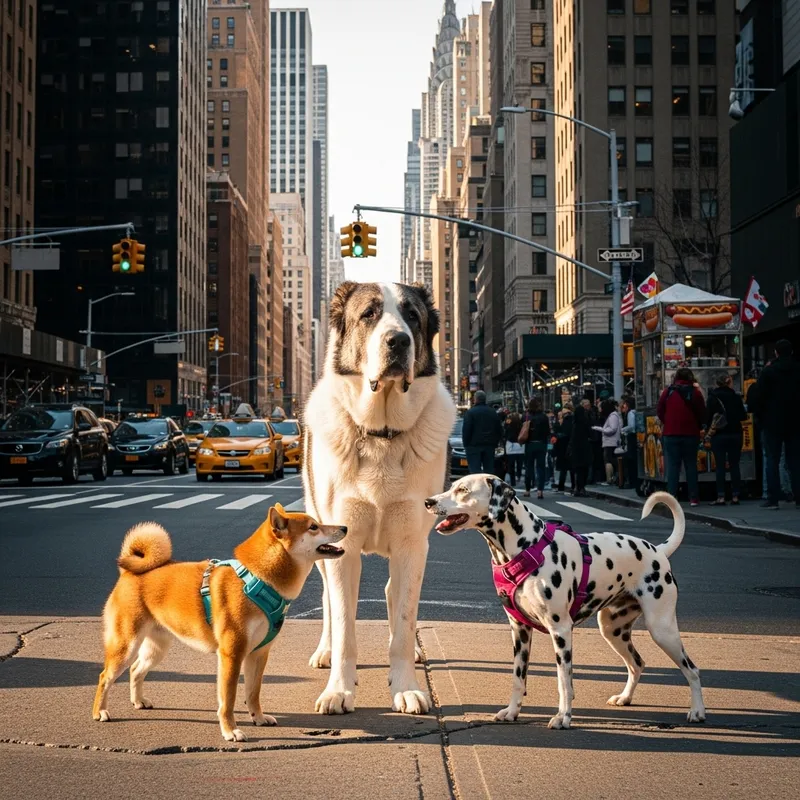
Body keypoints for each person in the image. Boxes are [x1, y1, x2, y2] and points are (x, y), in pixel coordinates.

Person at [751, 339, 800, 509]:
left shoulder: (769, 372)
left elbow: (759, 397)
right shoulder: (797, 369)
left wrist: (760, 418)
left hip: (772, 421)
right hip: (795, 421)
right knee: (795, 460)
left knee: (772, 459)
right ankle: (798, 496)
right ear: (791, 352)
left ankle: (773, 498)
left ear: (776, 353)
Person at [657, 367, 706, 506]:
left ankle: (672, 497)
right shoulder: (695, 392)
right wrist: (699, 425)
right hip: (691, 433)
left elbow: (660, 410)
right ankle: (693, 498)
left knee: (673, 466)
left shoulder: (668, 392)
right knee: (691, 465)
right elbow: (702, 411)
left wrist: (668, 422)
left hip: (671, 433)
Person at [705, 373, 747, 505]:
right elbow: (743, 416)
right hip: (735, 433)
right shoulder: (736, 397)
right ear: (729, 383)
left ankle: (721, 496)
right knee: (734, 465)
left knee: (720, 466)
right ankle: (735, 496)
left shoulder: (712, 397)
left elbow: (707, 417)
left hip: (719, 435)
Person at [462, 389, 503, 475]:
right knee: (489, 471)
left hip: (474, 446)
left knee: (475, 471)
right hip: (489, 446)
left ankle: (478, 483)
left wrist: (466, 444)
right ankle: (488, 483)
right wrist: (495, 443)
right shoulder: (493, 412)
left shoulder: (470, 413)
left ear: (475, 399)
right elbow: (499, 429)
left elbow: (466, 430)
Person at [523, 397, 550, 499]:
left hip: (529, 444)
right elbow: (547, 432)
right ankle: (540, 490)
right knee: (540, 467)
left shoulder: (526, 416)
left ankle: (527, 490)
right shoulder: (544, 417)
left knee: (529, 467)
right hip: (541, 444)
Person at [593, 399, 622, 485]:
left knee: (609, 460)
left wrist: (600, 429)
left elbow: (612, 429)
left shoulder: (613, 416)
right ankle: (612, 478)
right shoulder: (612, 416)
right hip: (610, 442)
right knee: (609, 460)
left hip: (611, 442)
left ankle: (610, 479)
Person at [569, 398, 594, 497]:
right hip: (585, 449)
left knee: (578, 470)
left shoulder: (574, 425)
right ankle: (581, 487)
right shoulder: (585, 423)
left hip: (576, 450)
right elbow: (591, 434)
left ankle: (577, 487)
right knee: (584, 469)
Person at [553, 404, 574, 493]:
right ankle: (572, 486)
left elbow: (564, 433)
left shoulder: (567, 420)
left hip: (564, 446)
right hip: (568, 446)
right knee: (569, 468)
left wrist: (557, 436)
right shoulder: (572, 420)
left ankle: (562, 486)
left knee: (564, 468)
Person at [619, 396, 638, 490]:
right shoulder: (634, 412)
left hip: (631, 437)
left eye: (625, 404)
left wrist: (622, 430)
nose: (623, 406)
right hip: (634, 437)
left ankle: (631, 481)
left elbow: (631, 426)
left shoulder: (630, 413)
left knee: (631, 460)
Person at [503, 411, 525, 487]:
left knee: (511, 465)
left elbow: (505, 432)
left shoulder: (509, 425)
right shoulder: (521, 425)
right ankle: (518, 475)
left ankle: (513, 481)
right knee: (519, 463)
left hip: (510, 447)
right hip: (520, 446)